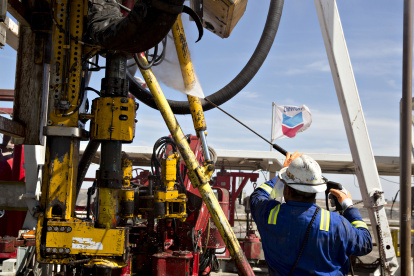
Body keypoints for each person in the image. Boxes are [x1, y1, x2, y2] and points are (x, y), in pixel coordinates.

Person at [250, 153, 372, 275]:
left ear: (286, 190)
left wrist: (284, 174)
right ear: (317, 190)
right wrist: (349, 206)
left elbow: (258, 195)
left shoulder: (269, 215)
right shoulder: (336, 223)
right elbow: (365, 243)